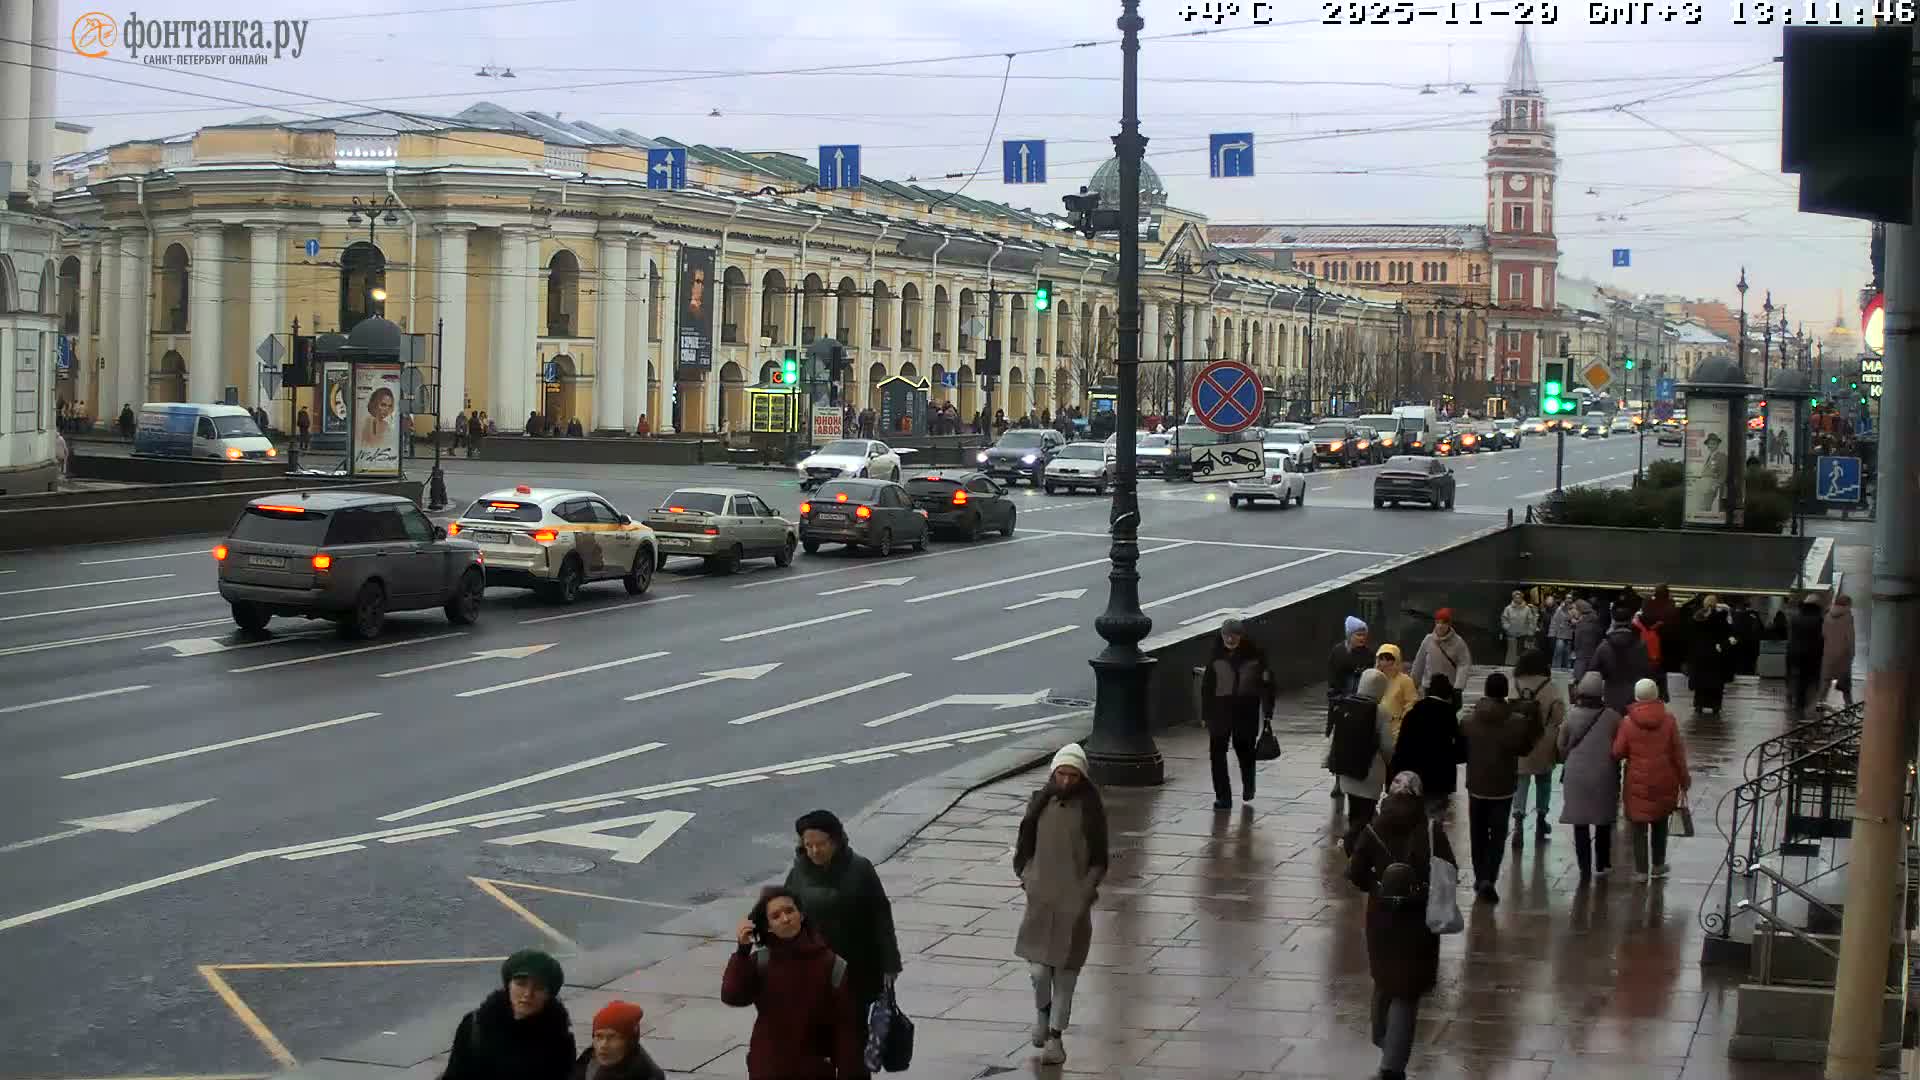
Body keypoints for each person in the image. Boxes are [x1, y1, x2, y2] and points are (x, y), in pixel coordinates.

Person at [1345, 771, 1457, 1080]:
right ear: (1419, 796)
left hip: (1382, 919)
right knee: (1406, 991)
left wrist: (1380, 888)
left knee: (1384, 980)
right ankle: (1393, 1067)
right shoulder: (1432, 830)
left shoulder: (1373, 827)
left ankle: (1384, 1043)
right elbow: (1450, 872)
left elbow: (1355, 873)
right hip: (1418, 921)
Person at [1013, 743, 1109, 1068]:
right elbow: (1024, 845)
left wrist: (1084, 893)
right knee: (1038, 971)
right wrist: (1028, 877)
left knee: (1065, 979)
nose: (1066, 780)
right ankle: (1042, 1013)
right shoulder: (1040, 803)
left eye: (1073, 775)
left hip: (1073, 906)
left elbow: (1099, 859)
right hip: (1041, 901)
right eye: (1061, 773)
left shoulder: (1092, 810)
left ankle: (1055, 1038)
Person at [782, 809, 902, 1062]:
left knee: (852, 1039)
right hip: (811, 970)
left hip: (854, 968)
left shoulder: (859, 868)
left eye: (821, 844)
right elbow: (784, 914)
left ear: (835, 840)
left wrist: (890, 963)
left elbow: (881, 915)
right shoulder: (798, 873)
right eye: (808, 845)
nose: (815, 851)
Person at [721, 886, 863, 1080]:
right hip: (769, 1068)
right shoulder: (761, 961)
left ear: (801, 915)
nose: (785, 919)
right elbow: (732, 995)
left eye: (790, 911)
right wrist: (742, 952)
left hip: (814, 1070)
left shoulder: (832, 964)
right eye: (776, 916)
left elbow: (846, 1028)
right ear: (768, 925)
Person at [1460, 672, 1541, 903]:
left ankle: (1479, 875)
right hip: (1503, 786)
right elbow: (1525, 749)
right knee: (1497, 835)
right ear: (1505, 692)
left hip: (1476, 784)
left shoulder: (1470, 720)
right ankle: (1489, 878)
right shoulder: (1515, 722)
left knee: (1477, 832)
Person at [440, 949, 575, 1080]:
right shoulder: (475, 1025)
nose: (528, 994)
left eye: (539, 987)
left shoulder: (560, 1042)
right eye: (521, 984)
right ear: (508, 985)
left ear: (549, 995)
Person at [1612, 678, 1690, 882]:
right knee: (1660, 822)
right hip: (1665, 779)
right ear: (1656, 695)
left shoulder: (1628, 722)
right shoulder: (1669, 720)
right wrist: (1684, 779)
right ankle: (1658, 864)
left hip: (1637, 782)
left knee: (1638, 828)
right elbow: (1677, 754)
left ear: (1636, 696)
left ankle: (1640, 871)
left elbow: (1617, 752)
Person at [1199, 617, 1274, 810]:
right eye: (1226, 635)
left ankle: (1249, 785)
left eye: (1234, 636)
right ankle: (1223, 797)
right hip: (1219, 711)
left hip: (1245, 710)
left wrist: (1268, 712)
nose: (1230, 640)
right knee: (1217, 754)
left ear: (1241, 636)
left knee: (1245, 751)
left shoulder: (1255, 656)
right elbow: (1207, 686)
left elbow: (1267, 685)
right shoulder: (1215, 656)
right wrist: (1205, 714)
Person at [1559, 671, 1623, 879]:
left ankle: (1584, 866)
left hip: (1576, 774)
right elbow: (1620, 746)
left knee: (1581, 821)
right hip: (1604, 774)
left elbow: (1561, 745)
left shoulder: (1571, 715)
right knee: (1603, 820)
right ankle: (1602, 863)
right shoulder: (1613, 717)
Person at [1330, 667, 1396, 853]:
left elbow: (1335, 736)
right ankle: (1352, 844)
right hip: (1369, 771)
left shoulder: (1345, 704)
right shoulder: (1380, 711)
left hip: (1347, 770)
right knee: (1366, 815)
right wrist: (1390, 762)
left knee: (1354, 811)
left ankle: (1355, 848)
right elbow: (1387, 746)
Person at [1508, 649, 1566, 846]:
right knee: (1544, 781)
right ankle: (1541, 820)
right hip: (1544, 740)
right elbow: (1559, 715)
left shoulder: (1515, 683)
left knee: (1520, 782)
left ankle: (1518, 823)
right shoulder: (1550, 686)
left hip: (1520, 740)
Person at [1387, 673, 1465, 815]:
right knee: (1434, 819)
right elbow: (1459, 749)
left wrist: (1393, 774)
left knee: (1414, 818)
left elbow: (1401, 747)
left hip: (1414, 777)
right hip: (1440, 778)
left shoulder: (1412, 713)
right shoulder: (1449, 715)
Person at [1327, 616, 1374, 800]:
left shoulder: (1369, 654)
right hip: (1341, 701)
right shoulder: (1338, 652)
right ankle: (1338, 781)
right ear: (1349, 635)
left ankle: (1352, 779)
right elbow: (1332, 678)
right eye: (1358, 635)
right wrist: (1336, 699)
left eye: (1363, 635)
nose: (1361, 638)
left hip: (1360, 702)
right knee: (1339, 743)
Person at [569, 1001, 665, 1080]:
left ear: (629, 1041)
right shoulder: (588, 1061)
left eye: (612, 1037)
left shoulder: (647, 1075)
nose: (603, 1045)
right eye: (599, 1036)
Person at [1592, 602, 1654, 716]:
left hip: (1611, 697)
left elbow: (1593, 672)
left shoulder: (1604, 646)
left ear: (1613, 621)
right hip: (1634, 698)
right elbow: (1647, 670)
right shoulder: (1641, 645)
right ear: (1631, 620)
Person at [1409, 609, 1471, 708]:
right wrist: (1413, 685)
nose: (1440, 625)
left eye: (1444, 622)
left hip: (1449, 688)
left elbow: (1464, 664)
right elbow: (1419, 663)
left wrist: (1458, 687)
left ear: (1449, 624)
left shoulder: (1458, 642)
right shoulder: (1428, 640)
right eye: (1438, 622)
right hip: (1429, 687)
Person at [1687, 598, 1734, 716]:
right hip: (1716, 656)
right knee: (1716, 684)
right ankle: (1715, 706)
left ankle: (1699, 704)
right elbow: (1730, 635)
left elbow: (1691, 636)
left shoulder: (1697, 617)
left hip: (1701, 655)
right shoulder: (1722, 618)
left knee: (1700, 684)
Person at [1786, 598, 1826, 718]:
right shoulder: (1819, 620)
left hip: (1796, 654)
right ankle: (1810, 707)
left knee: (1800, 680)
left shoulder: (1795, 618)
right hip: (1814, 655)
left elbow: (1791, 637)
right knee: (1813, 681)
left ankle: (1799, 705)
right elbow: (1822, 638)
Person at [1373, 644, 1419, 741]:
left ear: (1396, 660)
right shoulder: (1374, 679)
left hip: (1397, 728)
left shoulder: (1405, 680)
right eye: (1382, 659)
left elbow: (1411, 704)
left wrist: (1403, 725)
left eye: (1389, 659)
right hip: (1376, 728)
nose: (1385, 663)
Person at [1821, 594, 1857, 708]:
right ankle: (1849, 707)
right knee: (1846, 684)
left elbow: (1823, 635)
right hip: (1843, 655)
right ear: (1847, 604)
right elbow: (1850, 637)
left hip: (1828, 654)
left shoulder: (1827, 615)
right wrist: (1852, 653)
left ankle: (1820, 705)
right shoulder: (1847, 617)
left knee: (1825, 682)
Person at [1500, 591, 1539, 667]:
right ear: (1513, 598)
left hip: (1523, 634)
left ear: (1522, 598)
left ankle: (1522, 667)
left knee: (1522, 653)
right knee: (1511, 653)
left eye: (1519, 597)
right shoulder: (1508, 609)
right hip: (1512, 634)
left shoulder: (1527, 609)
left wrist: (1530, 633)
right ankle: (1510, 667)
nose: (1517, 598)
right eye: (1516, 597)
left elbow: (1530, 621)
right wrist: (1508, 628)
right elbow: (1504, 619)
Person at [1570, 599, 1605, 681]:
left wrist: (1578, 672)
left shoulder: (1585, 626)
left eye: (1573, 608)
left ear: (1580, 610)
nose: (1571, 611)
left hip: (1583, 663)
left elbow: (1584, 650)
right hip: (1588, 663)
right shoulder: (1591, 622)